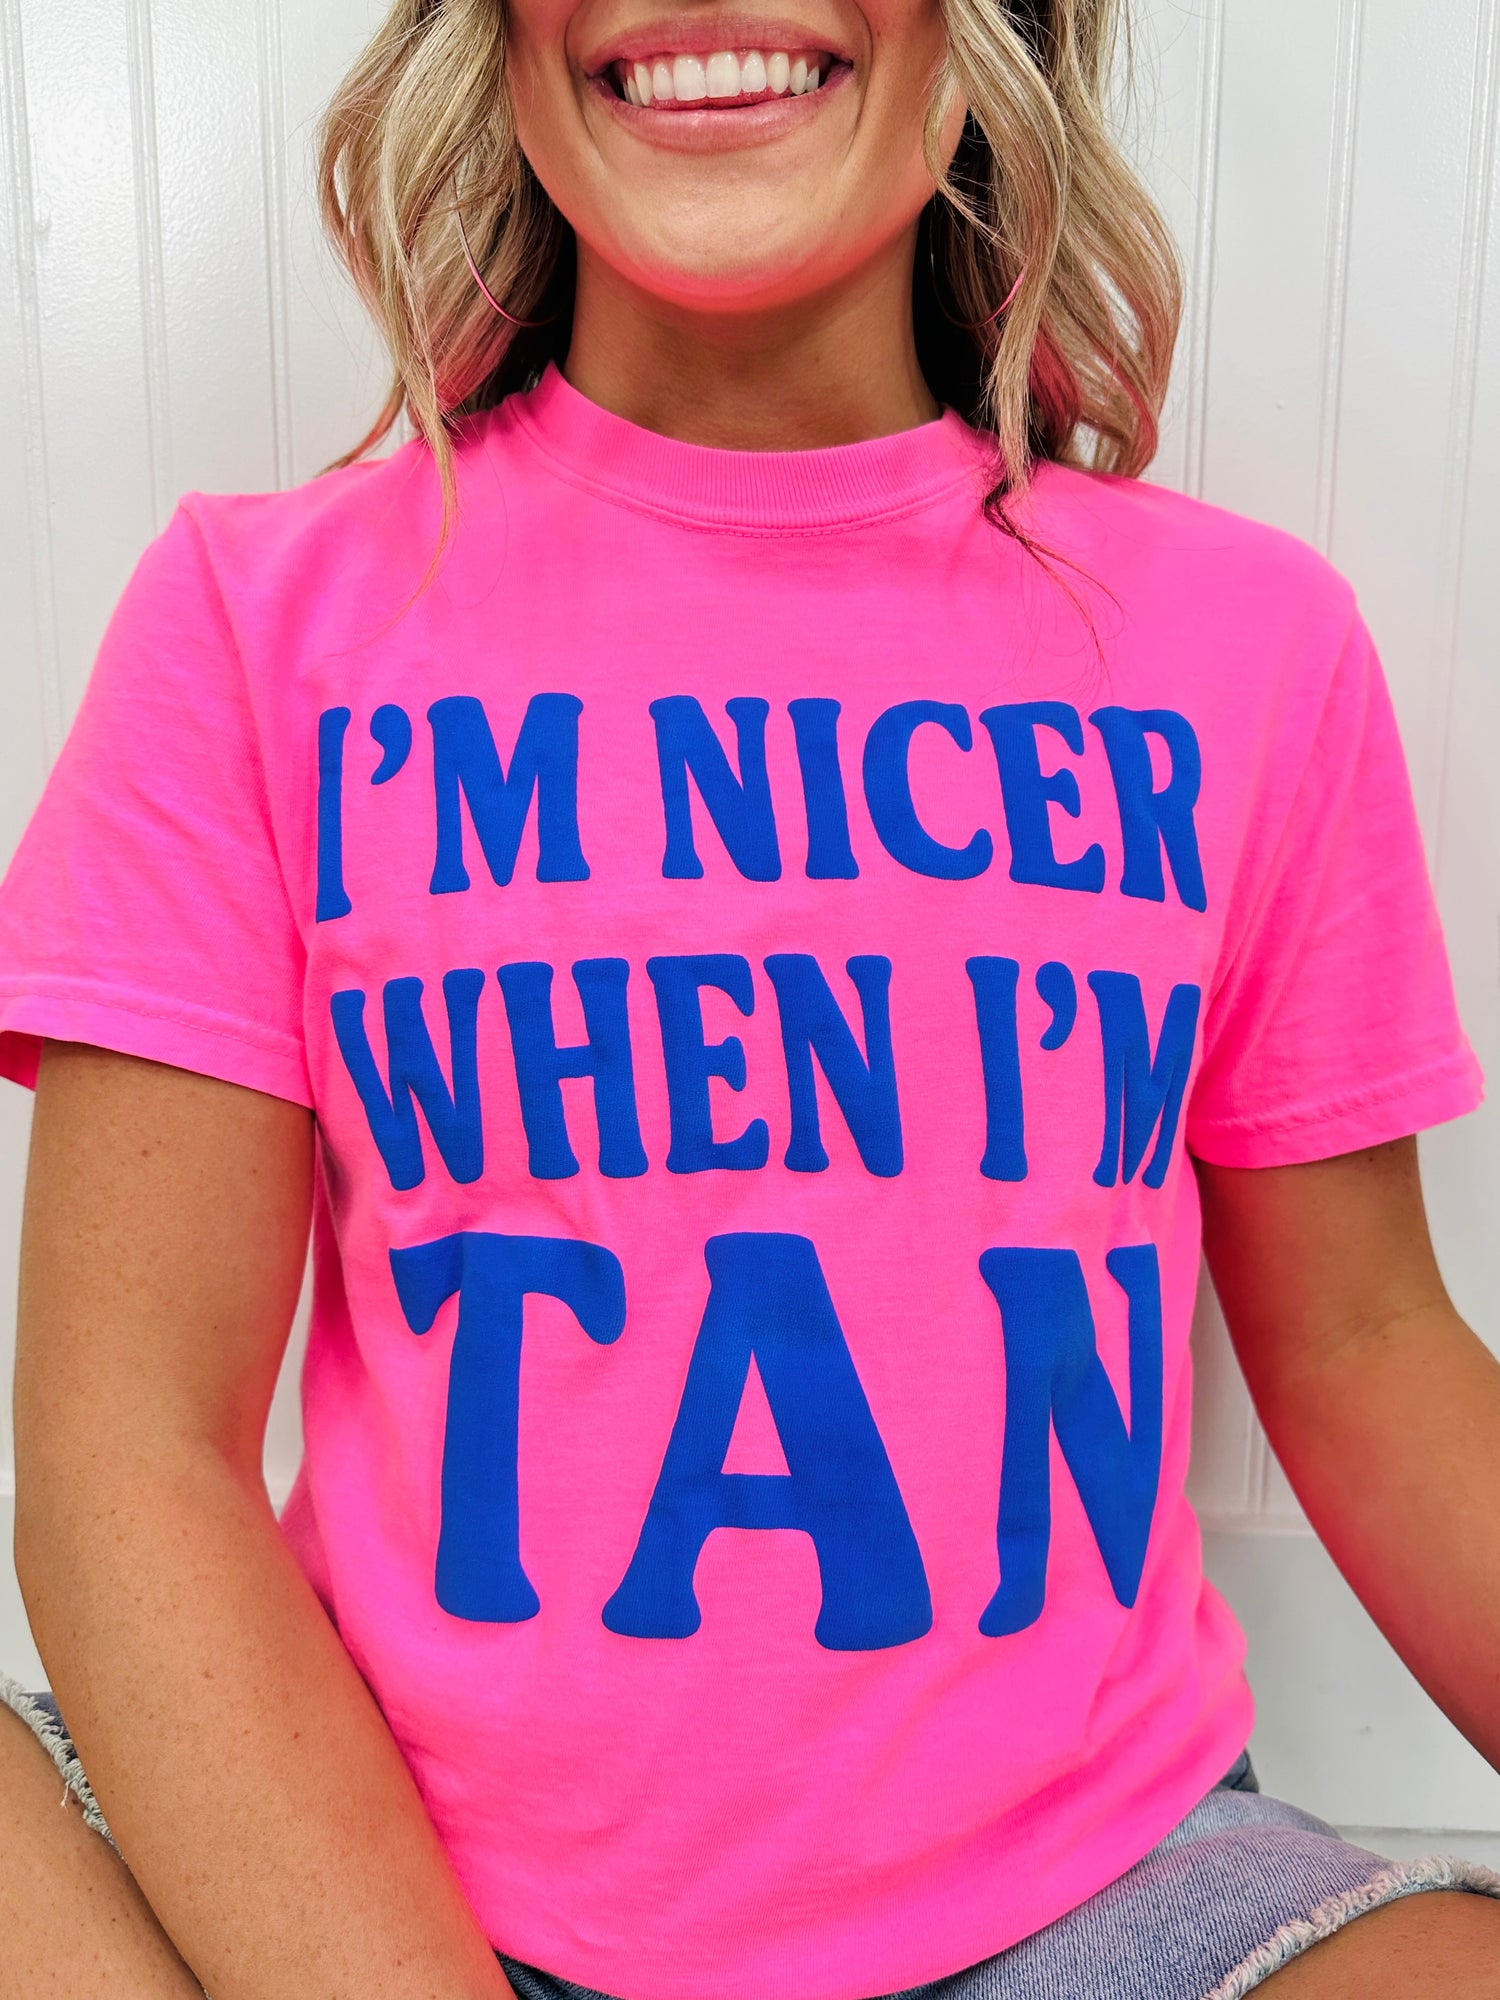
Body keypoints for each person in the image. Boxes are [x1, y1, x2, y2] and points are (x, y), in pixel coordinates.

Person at [2, 0, 1500, 1994]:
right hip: (382, 1879)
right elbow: (129, 1455)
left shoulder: (1249, 648)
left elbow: (1370, 1342)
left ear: (990, 34)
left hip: (1099, 1896)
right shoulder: (253, 625)